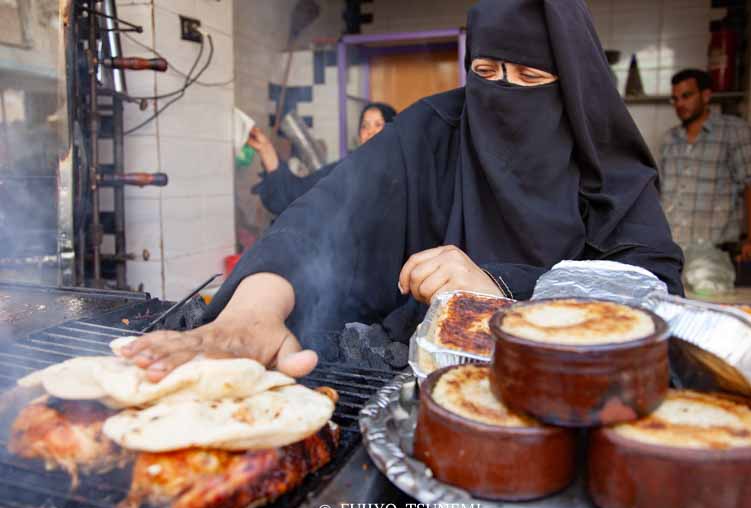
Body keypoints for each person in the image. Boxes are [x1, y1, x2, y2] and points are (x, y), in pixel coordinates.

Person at [120, 0, 683, 382]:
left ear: (573, 89)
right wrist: (251, 312)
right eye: (487, 72)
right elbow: (329, 212)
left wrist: (503, 288)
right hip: (423, 393)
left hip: (568, 404)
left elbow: (653, 291)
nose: (506, 96)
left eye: (532, 80)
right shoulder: (435, 130)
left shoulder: (604, 164)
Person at [660, 68, 751, 261]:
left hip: (714, 252)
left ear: (706, 96)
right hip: (672, 248)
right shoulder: (670, 138)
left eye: (686, 96)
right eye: (675, 99)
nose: (680, 104)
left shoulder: (733, 130)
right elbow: (662, 192)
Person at [248, 102, 397, 215]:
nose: (369, 132)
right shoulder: (347, 170)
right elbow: (299, 194)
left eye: (378, 125)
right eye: (364, 126)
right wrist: (266, 150)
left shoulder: (405, 173)